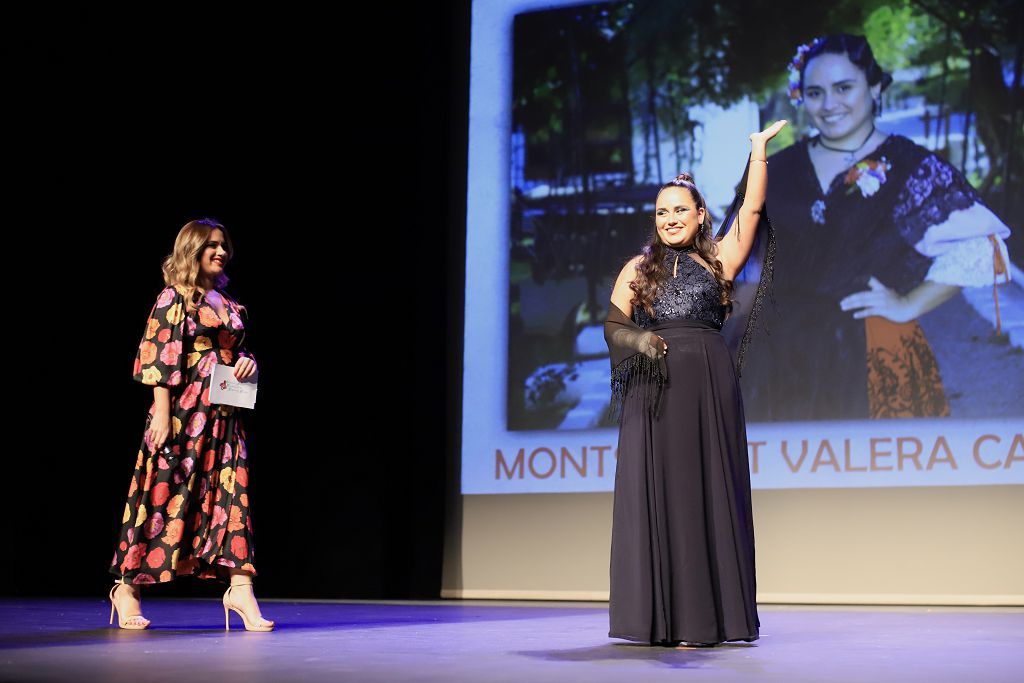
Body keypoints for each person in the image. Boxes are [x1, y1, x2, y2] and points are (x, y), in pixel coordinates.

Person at [742, 33, 1012, 421]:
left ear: (874, 86)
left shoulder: (911, 167)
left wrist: (910, 303)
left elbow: (981, 245)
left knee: (875, 474)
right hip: (776, 358)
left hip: (873, 350)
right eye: (816, 92)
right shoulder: (776, 169)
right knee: (785, 473)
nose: (829, 104)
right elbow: (742, 260)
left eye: (844, 87)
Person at [604, 120, 787, 647]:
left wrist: (757, 153)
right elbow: (614, 325)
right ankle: (661, 620)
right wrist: (641, 343)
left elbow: (751, 211)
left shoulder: (719, 260)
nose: (670, 219)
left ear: (700, 214)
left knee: (705, 493)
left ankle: (706, 621)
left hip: (708, 383)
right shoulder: (638, 269)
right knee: (666, 495)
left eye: (680, 209)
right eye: (662, 212)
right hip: (655, 390)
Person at [108, 218, 274, 632]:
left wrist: (246, 362)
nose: (220, 251)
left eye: (223, 245)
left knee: (232, 501)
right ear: (192, 249)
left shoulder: (228, 302)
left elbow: (234, 351)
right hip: (182, 415)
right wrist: (161, 414)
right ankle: (126, 588)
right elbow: (158, 354)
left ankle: (240, 588)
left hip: (223, 419)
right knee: (162, 494)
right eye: (211, 245)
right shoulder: (174, 298)